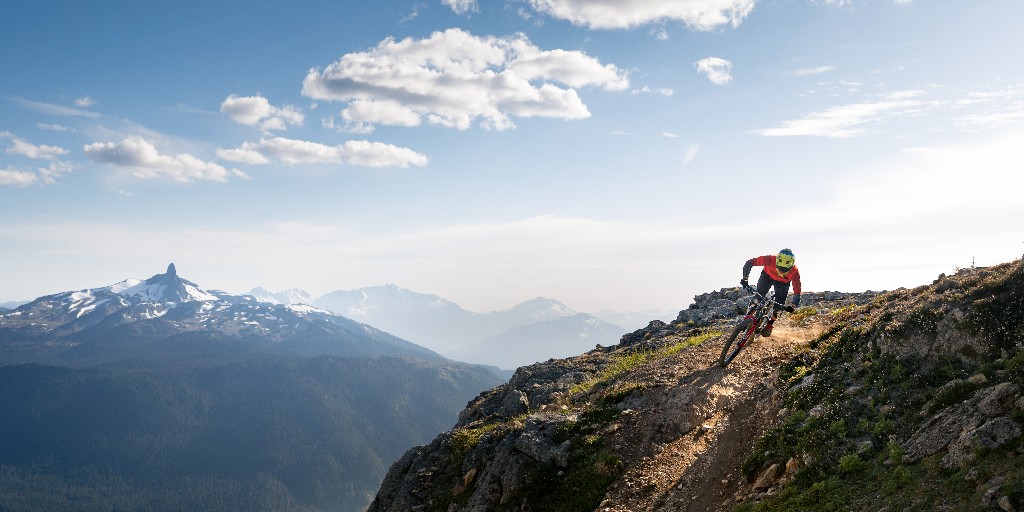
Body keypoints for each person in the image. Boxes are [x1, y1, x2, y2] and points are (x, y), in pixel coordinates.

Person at [740, 248, 802, 337]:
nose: (780, 272)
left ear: (790, 267)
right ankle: (746, 320)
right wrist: (745, 279)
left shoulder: (794, 272)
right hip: (767, 276)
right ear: (776, 262)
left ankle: (769, 325)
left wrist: (794, 305)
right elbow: (750, 262)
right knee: (757, 299)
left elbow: (797, 290)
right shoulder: (770, 259)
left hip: (782, 283)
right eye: (779, 268)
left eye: (784, 270)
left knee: (778, 308)